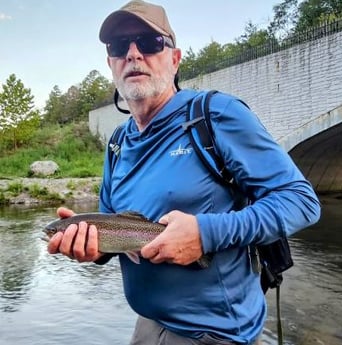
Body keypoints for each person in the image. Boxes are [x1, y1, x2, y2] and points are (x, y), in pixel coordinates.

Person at [47, 1, 321, 344]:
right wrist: (95, 248)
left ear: (174, 59)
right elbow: (113, 223)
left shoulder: (216, 115)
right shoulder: (118, 142)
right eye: (119, 47)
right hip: (147, 323)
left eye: (149, 42)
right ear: (111, 65)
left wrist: (205, 233)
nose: (133, 54)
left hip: (216, 334)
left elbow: (301, 201)